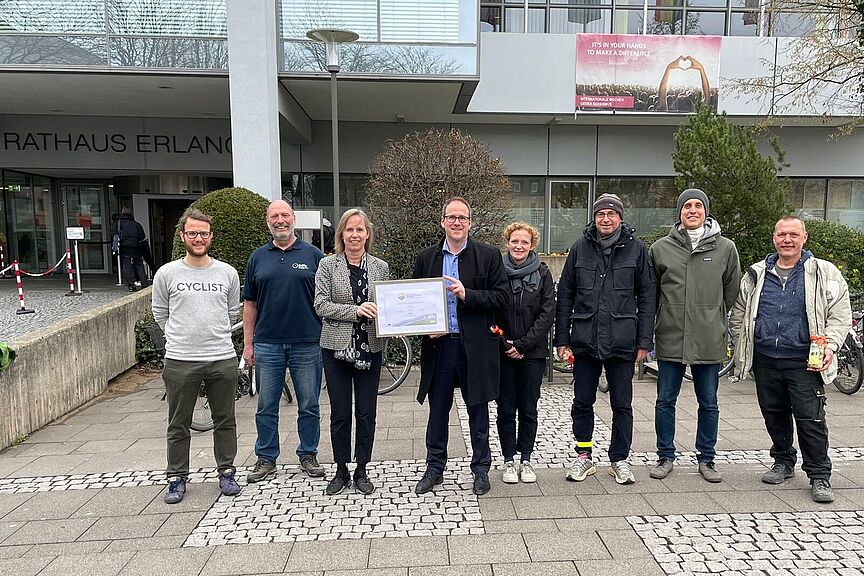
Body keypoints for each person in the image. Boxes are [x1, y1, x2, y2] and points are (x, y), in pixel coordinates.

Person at [730, 216, 851, 503]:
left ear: (804, 238)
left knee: (811, 419)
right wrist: (742, 343)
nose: (787, 239)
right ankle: (783, 462)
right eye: (782, 234)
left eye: (793, 234)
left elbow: (840, 313)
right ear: (774, 238)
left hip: (804, 361)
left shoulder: (824, 272)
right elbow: (739, 312)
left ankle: (819, 475)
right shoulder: (757, 273)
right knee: (774, 414)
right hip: (766, 359)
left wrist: (831, 345)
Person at [554, 194, 655, 485]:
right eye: (601, 214)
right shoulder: (579, 249)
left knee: (622, 405)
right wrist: (562, 339)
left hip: (622, 341)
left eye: (612, 214)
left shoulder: (637, 251)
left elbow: (647, 298)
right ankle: (583, 456)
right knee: (582, 402)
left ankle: (619, 459)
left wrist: (644, 342)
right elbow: (566, 297)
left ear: (621, 217)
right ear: (594, 218)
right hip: (585, 340)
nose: (606, 219)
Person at [412, 197, 508, 496]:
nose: (457, 222)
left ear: (469, 222)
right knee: (437, 411)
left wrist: (468, 294)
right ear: (442, 221)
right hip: (440, 348)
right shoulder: (426, 257)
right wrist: (427, 331)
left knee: (478, 412)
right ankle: (434, 468)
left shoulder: (489, 255)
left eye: (462, 218)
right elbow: (415, 305)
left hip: (475, 347)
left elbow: (501, 298)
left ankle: (481, 470)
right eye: (451, 217)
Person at [648, 188, 740, 483]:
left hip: (708, 337)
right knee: (665, 400)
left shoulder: (725, 248)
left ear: (706, 211)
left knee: (709, 402)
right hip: (671, 336)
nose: (692, 210)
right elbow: (652, 294)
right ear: (679, 212)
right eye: (687, 205)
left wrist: (713, 318)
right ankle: (665, 455)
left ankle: (707, 458)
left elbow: (731, 292)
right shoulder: (660, 249)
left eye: (698, 205)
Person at [151, 208, 241, 504]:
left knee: (225, 418)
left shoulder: (227, 273)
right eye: (193, 233)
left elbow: (231, 312)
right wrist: (180, 338)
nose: (198, 238)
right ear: (183, 236)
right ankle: (176, 477)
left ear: (211, 237)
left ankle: (226, 472)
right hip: (180, 360)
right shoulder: (167, 274)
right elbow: (160, 313)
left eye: (203, 233)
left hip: (221, 357)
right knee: (178, 422)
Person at [243, 200, 325, 483]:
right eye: (274, 216)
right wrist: (248, 344)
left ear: (294, 219)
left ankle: (308, 454)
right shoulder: (257, 258)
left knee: (309, 404)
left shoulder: (314, 255)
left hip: (308, 342)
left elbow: (325, 299)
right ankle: (266, 458)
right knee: (266, 405)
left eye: (285, 215)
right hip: (267, 343)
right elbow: (249, 305)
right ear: (268, 221)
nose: (280, 220)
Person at [314, 208, 389, 495]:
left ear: (367, 234)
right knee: (340, 414)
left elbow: (387, 305)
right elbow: (320, 306)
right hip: (336, 350)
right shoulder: (327, 265)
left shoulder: (380, 267)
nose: (355, 234)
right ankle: (341, 469)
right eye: (349, 229)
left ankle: (362, 470)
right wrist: (355, 310)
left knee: (367, 414)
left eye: (360, 229)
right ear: (341, 234)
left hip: (370, 347)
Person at [496, 222, 555, 484]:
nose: (519, 246)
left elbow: (547, 313)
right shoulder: (496, 271)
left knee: (529, 407)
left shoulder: (543, 273)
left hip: (533, 353)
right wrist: (507, 345)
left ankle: (526, 458)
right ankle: (508, 459)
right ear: (507, 243)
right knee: (506, 408)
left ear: (532, 246)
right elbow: (491, 310)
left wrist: (523, 345)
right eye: (514, 241)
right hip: (503, 352)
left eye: (524, 242)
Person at [115, 207, 146, 291]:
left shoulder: (118, 224)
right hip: (136, 247)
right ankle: (144, 284)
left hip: (124, 247)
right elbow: (142, 236)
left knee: (127, 266)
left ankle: (131, 285)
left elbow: (113, 234)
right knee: (139, 265)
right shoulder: (136, 224)